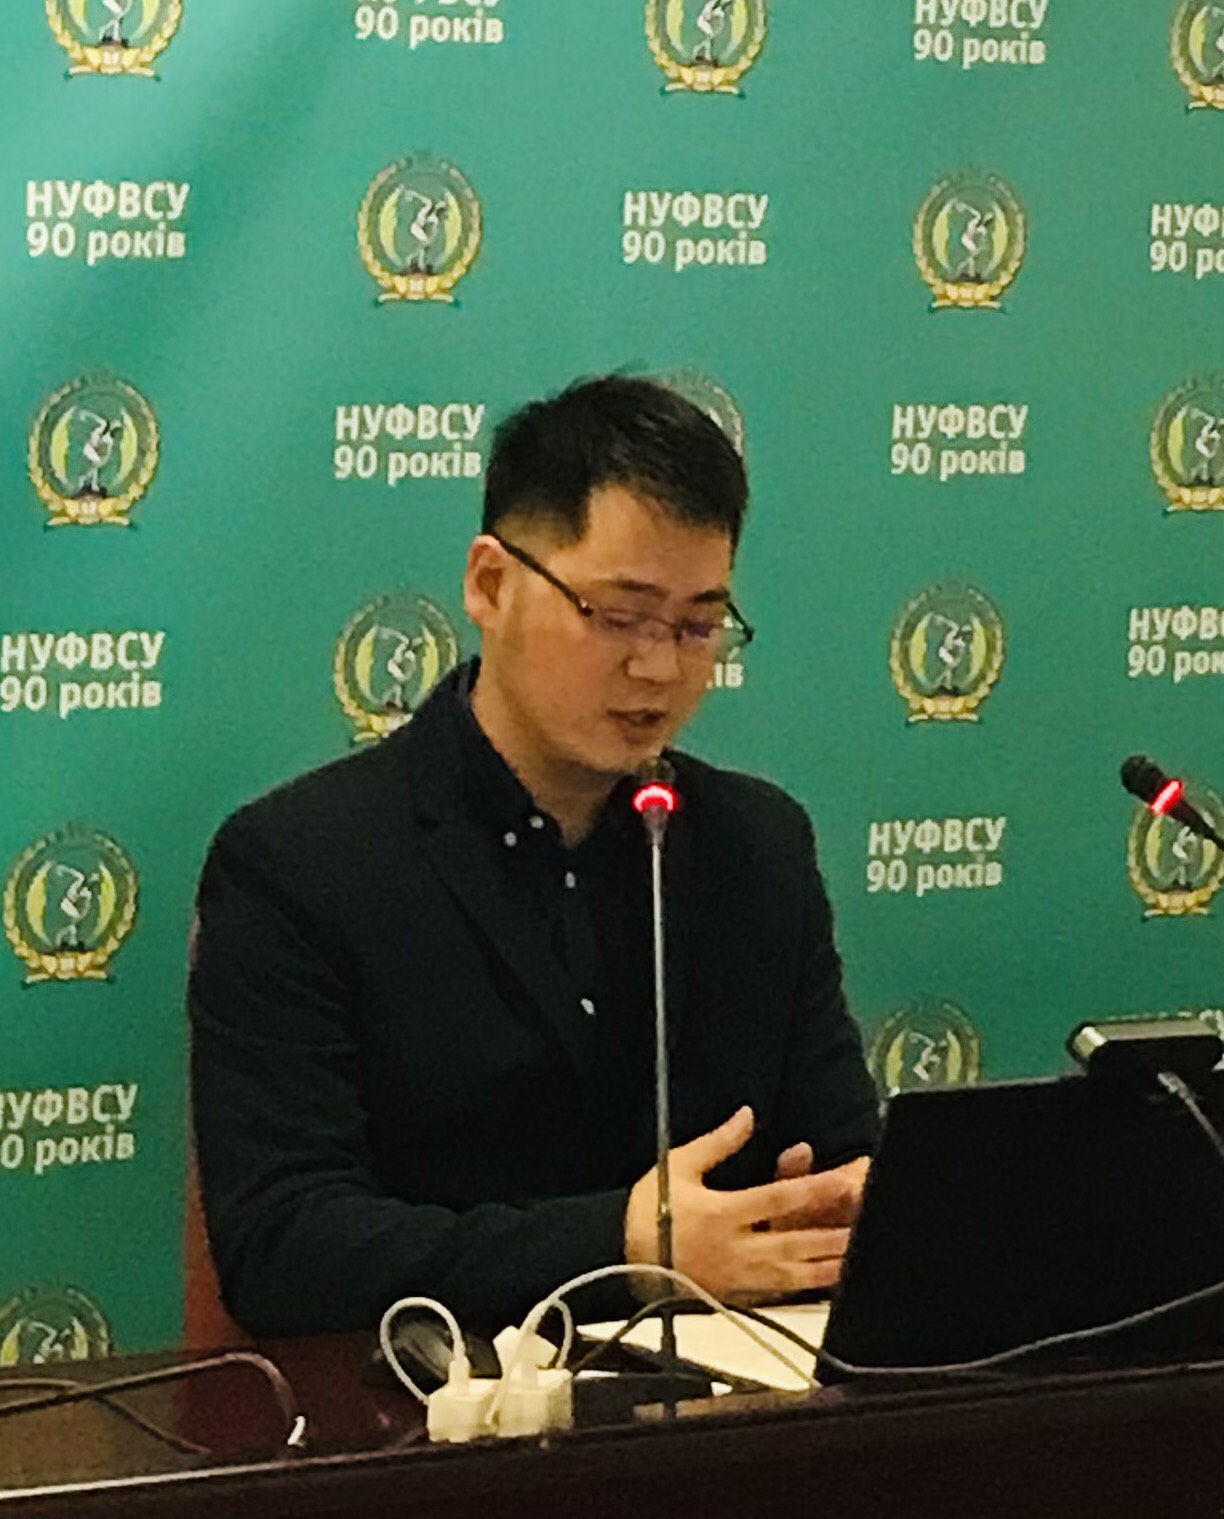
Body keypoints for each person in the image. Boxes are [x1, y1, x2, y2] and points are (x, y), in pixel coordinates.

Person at [189, 376, 880, 1336]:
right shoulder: (302, 864)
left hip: (737, 1399)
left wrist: (838, 1211)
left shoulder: (757, 846)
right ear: (491, 584)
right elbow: (283, 1246)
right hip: (432, 1407)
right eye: (618, 615)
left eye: (698, 625)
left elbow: (845, 1153)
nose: (659, 667)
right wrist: (621, 1248)